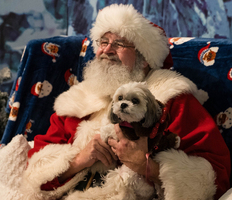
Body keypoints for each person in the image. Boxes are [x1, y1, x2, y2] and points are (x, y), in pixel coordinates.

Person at [20, 4, 230, 200]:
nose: (108, 49)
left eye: (119, 43)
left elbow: (214, 176)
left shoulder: (171, 99)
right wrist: (79, 160)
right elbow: (35, 171)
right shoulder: (78, 100)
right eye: (103, 42)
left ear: (144, 57)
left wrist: (145, 166)